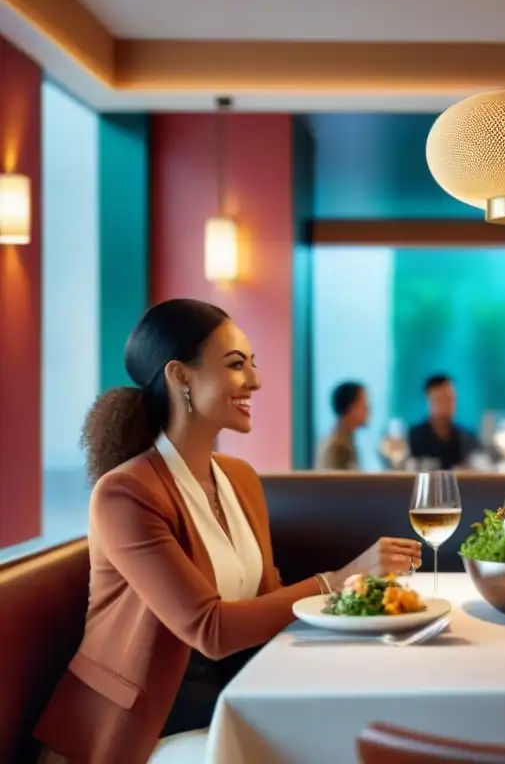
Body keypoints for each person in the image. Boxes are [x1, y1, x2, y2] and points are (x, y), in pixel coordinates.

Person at [34, 300, 421, 764]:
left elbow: (269, 599)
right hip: (143, 725)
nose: (254, 381)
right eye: (236, 365)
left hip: (230, 697)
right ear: (180, 377)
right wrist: (338, 580)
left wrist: (361, 609)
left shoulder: (240, 478)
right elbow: (210, 629)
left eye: (252, 364)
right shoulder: (126, 494)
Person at [408, 374, 481, 470]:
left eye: (451, 399)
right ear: (428, 400)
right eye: (441, 399)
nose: (447, 405)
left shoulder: (467, 437)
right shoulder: (414, 437)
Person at [317, 381, 369, 470]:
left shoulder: (345, 440)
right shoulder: (338, 445)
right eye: (363, 404)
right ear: (350, 408)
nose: (368, 408)